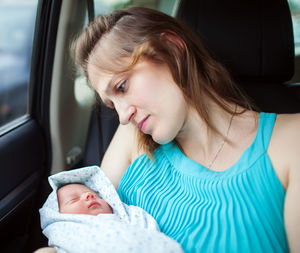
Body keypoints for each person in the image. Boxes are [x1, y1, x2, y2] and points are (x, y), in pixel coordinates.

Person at [71, 7, 300, 253]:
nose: (123, 116)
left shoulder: (292, 140)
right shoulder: (132, 139)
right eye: (111, 104)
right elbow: (78, 229)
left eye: (123, 86)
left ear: (171, 48)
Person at [39, 166, 184, 253]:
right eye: (74, 199)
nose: (88, 195)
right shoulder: (67, 231)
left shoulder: (129, 216)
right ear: (58, 216)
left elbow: (150, 232)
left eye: (95, 194)